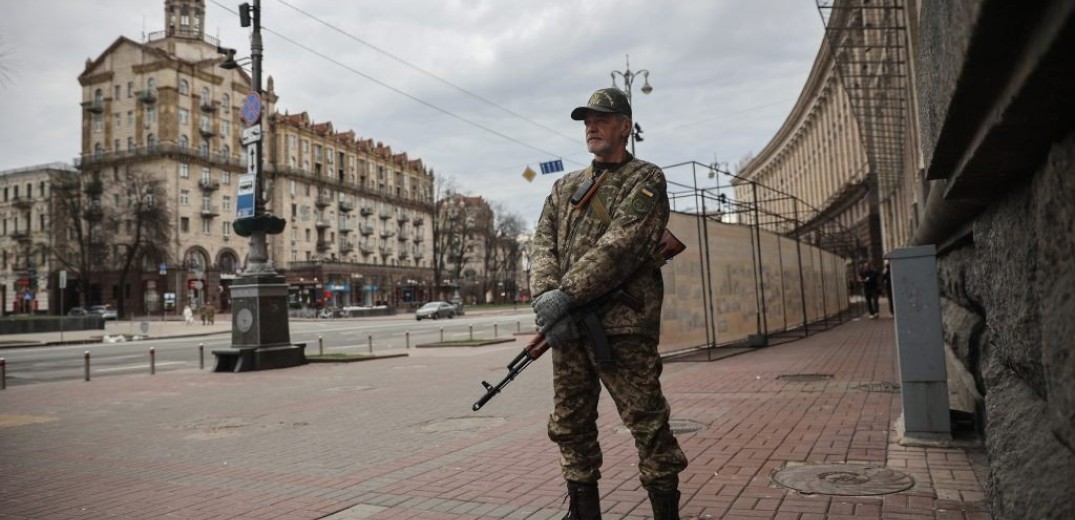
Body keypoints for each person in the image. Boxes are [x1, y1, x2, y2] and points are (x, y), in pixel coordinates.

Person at [530, 87, 687, 520]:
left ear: (625, 126)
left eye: (601, 119)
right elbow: (542, 243)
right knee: (570, 423)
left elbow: (622, 245)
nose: (591, 128)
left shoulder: (646, 178)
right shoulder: (565, 187)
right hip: (570, 327)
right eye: (586, 122)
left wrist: (566, 294)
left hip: (624, 326)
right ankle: (583, 511)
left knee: (648, 423)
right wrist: (547, 298)